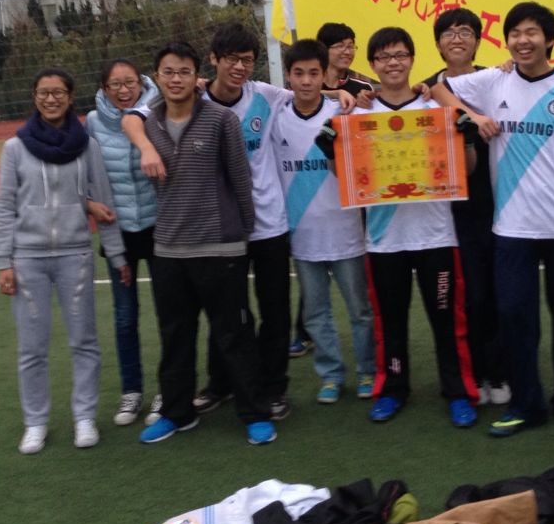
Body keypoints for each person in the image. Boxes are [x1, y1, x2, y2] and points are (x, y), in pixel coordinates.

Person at [433, 2, 554, 436]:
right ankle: (527, 404)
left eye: (532, 33)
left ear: (549, 39)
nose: (523, 41)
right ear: (506, 40)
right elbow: (438, 89)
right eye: (515, 33)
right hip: (511, 226)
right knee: (514, 315)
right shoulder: (495, 80)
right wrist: (473, 115)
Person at [135, 42, 275, 446]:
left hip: (221, 248)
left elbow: (240, 178)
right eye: (168, 72)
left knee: (234, 335)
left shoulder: (220, 120)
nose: (175, 79)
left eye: (183, 72)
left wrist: (242, 232)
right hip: (169, 250)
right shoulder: (149, 124)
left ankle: (254, 413)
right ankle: (177, 413)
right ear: (157, 77)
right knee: (175, 336)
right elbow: (128, 118)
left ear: (197, 76)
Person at [339, 26, 478, 427]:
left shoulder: (435, 108)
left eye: (400, 55)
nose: (393, 63)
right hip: (385, 241)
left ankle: (458, 391)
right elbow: (343, 175)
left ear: (412, 59)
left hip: (436, 236)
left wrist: (467, 140)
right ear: (373, 64)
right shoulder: (359, 115)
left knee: (447, 321)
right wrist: (331, 141)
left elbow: (467, 170)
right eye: (384, 57)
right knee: (391, 322)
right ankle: (393, 388)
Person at [0, 67, 127, 455]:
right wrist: (3, 261)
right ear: (34, 97)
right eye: (43, 92)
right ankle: (35, 422)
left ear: (70, 97)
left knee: (84, 340)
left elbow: (104, 203)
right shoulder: (15, 148)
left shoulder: (87, 146)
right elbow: (5, 206)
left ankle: (84, 417)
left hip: (74, 256)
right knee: (32, 347)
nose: (50, 99)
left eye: (58, 92)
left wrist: (117, 254)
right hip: (27, 258)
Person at [271, 39, 375, 404]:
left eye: (313, 73)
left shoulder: (345, 112)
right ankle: (331, 375)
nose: (306, 81)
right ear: (288, 76)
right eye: (298, 73)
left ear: (323, 74)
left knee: (360, 310)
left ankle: (367, 371)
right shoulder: (276, 115)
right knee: (316, 314)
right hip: (302, 236)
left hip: (346, 232)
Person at [420, 7, 508, 407]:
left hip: (497, 204)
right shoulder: (424, 91)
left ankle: (499, 371)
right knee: (465, 296)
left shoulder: (499, 79)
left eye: (465, 32)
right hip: (446, 212)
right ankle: (472, 374)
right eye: (449, 33)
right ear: (438, 44)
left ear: (478, 41)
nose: (457, 39)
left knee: (496, 291)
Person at [85, 58, 160, 428]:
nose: (123, 90)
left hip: (160, 230)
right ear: (104, 88)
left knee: (169, 313)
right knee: (125, 316)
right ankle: (132, 391)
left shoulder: (158, 110)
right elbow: (93, 185)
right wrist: (115, 251)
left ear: (141, 83)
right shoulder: (93, 123)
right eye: (115, 84)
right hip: (120, 233)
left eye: (130, 82)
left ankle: (168, 388)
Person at [317, 22, 376, 104]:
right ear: (324, 49)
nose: (347, 52)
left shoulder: (363, 89)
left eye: (350, 46)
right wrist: (336, 94)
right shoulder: (310, 85)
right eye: (340, 46)